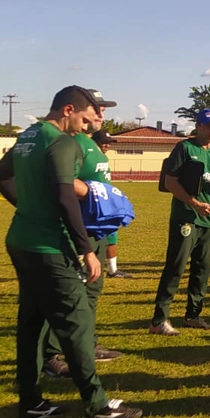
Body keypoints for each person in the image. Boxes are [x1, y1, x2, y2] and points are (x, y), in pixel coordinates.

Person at [0, 85, 142, 418]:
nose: (89, 126)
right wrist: (87, 250)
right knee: (78, 324)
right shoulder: (61, 142)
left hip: (21, 239)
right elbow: (64, 196)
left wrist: (27, 207)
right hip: (49, 247)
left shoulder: (29, 136)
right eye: (87, 119)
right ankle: (98, 405)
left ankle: (30, 404)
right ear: (68, 110)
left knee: (30, 324)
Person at [39, 97, 123, 379]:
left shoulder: (91, 145)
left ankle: (87, 343)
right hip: (78, 230)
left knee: (91, 291)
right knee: (68, 294)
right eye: (96, 108)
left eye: (103, 110)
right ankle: (51, 355)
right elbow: (61, 181)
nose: (100, 114)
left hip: (96, 230)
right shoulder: (71, 142)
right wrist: (96, 192)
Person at [149, 109, 210, 335]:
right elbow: (170, 182)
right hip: (185, 217)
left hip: (209, 221)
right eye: (207, 126)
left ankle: (193, 315)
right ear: (198, 126)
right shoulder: (185, 148)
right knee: (176, 267)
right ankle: (158, 320)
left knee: (203, 269)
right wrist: (194, 203)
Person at [94, 129, 132, 280]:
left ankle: (112, 270)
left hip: (106, 202)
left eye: (109, 143)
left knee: (112, 234)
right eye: (104, 142)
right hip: (94, 202)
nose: (107, 145)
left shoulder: (103, 159)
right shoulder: (89, 157)